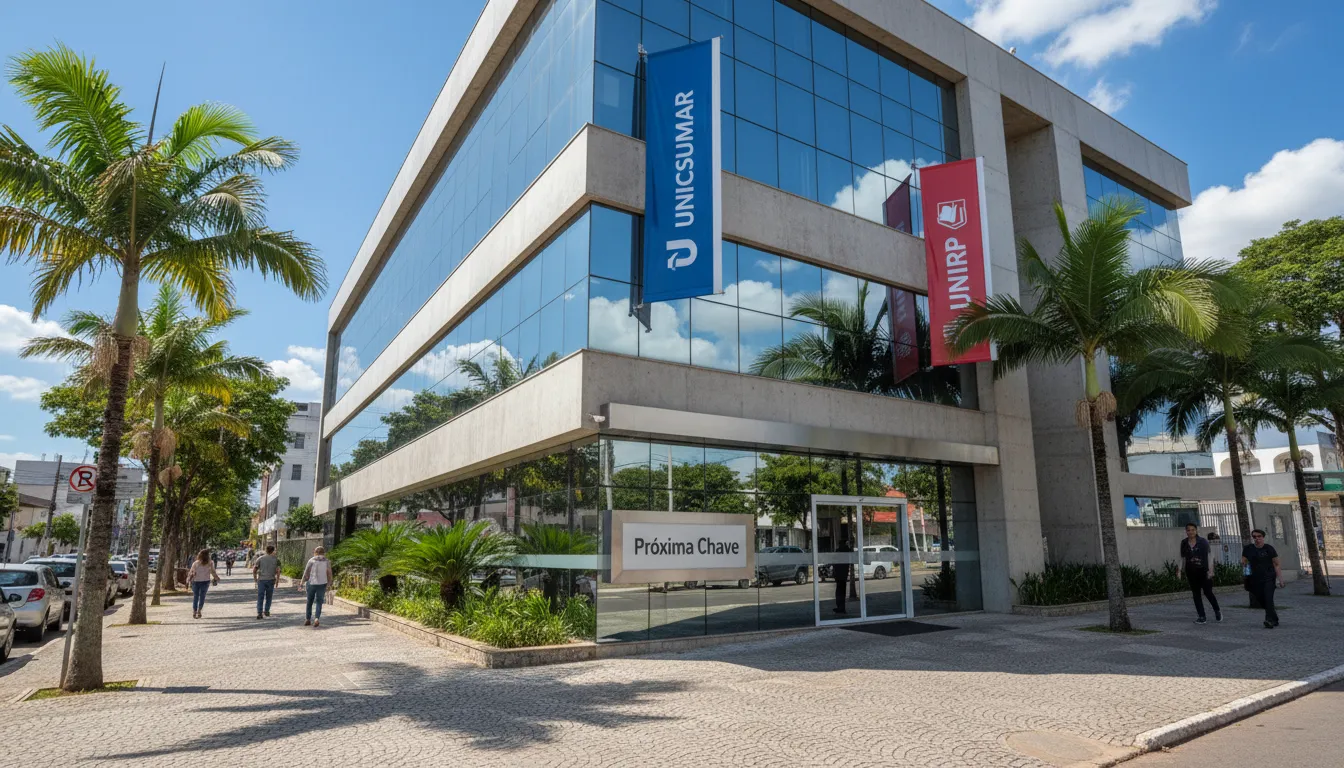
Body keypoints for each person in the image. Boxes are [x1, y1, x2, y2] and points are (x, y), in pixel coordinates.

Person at [1178, 523, 1221, 624]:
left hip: (1204, 571)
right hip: (1191, 572)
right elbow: (1182, 557)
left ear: (1196, 530)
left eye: (1193, 530)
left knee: (1208, 592)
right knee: (1196, 594)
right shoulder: (1184, 543)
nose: (1191, 532)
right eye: (1188, 530)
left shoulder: (1203, 542)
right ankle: (1202, 616)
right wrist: (1179, 570)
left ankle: (1217, 610)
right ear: (1186, 531)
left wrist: (1211, 570)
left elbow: (1210, 556)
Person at [1242, 529, 1283, 628]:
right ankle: (1274, 618)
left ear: (1263, 537)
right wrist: (1246, 576)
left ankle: (1269, 620)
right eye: (1254, 537)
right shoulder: (1248, 549)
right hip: (1254, 579)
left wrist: (1280, 579)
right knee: (1261, 600)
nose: (1257, 538)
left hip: (1269, 577)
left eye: (1259, 536)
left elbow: (1276, 564)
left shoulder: (1269, 549)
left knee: (1268, 598)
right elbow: (1244, 563)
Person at [301, 546, 333, 627]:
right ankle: (316, 619)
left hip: (311, 583)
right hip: (322, 584)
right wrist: (329, 583)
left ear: (315, 552)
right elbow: (329, 573)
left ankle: (308, 619)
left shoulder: (311, 560)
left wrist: (302, 582)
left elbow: (306, 572)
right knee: (319, 602)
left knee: (309, 601)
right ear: (323, 553)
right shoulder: (327, 561)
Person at [186, 549, 220, 619]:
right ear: (208, 555)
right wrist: (217, 578)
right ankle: (199, 610)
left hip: (196, 581)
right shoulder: (210, 562)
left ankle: (194, 611)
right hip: (205, 582)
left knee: (196, 596)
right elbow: (213, 572)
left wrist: (188, 580)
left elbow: (191, 572)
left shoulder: (196, 563)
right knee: (202, 596)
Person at [253, 545, 279, 619]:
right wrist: (277, 581)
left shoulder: (260, 559)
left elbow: (254, 570)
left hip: (261, 580)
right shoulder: (276, 559)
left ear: (266, 550)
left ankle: (259, 612)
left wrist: (255, 579)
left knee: (260, 596)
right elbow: (278, 571)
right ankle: (267, 610)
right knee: (269, 596)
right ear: (273, 551)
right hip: (271, 580)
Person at [833, 542, 853, 615]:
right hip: (843, 574)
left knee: (839, 591)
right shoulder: (846, 551)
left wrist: (835, 573)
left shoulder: (839, 551)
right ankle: (841, 607)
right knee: (842, 591)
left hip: (839, 574)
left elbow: (835, 563)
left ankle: (840, 607)